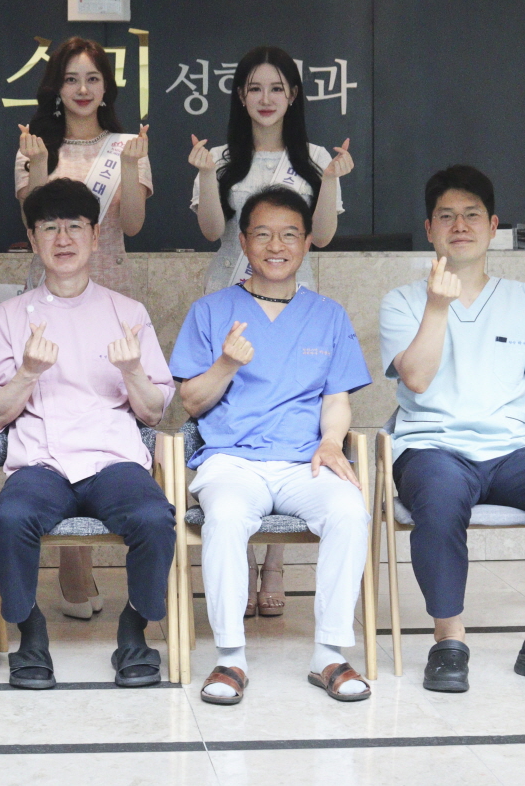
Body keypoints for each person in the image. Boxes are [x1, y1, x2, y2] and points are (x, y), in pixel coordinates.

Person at [379, 165, 525, 694]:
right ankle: (449, 641)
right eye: (446, 217)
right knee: (439, 497)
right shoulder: (403, 301)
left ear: (493, 226)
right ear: (430, 229)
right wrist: (437, 307)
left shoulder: (524, 299)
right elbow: (416, 378)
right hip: (432, 447)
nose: (460, 226)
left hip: (514, 450)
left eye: (472, 215)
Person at [171, 186, 373, 706]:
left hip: (305, 461)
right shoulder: (211, 310)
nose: (276, 246)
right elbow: (191, 401)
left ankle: (329, 654)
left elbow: (337, 397)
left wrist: (332, 441)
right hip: (232, 460)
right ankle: (230, 658)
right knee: (225, 517)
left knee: (350, 511)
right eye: (262, 234)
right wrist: (226, 364)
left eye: (289, 235)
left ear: (306, 243)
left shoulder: (328, 315)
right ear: (243, 242)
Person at [0, 179, 176, 689]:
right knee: (9, 518)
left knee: (155, 518)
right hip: (41, 463)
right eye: (49, 227)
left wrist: (132, 370)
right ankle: (30, 633)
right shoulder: (10, 316)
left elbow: (154, 412)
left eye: (74, 226)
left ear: (94, 236)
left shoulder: (127, 313)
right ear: (32, 238)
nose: (63, 238)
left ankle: (134, 631)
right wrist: (27, 372)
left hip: (112, 460)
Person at [187, 44, 356, 619]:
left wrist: (328, 181)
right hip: (231, 301)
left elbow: (323, 237)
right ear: (240, 95)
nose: (266, 98)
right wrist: (205, 175)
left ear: (293, 95)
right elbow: (212, 230)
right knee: (241, 409)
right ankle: (240, 559)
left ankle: (276, 564)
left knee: (292, 412)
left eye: (277, 88)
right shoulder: (220, 157)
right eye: (255, 88)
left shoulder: (314, 158)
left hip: (292, 298)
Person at [14, 37, 152, 620]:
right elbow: (31, 218)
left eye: (93, 78)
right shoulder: (34, 144)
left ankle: (101, 533)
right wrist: (35, 166)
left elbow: (135, 225)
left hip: (109, 287)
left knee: (104, 405)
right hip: (50, 290)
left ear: (106, 86)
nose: (82, 89)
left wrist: (131, 166)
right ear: (56, 86)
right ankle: (74, 563)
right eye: (71, 78)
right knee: (53, 405)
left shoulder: (127, 145)